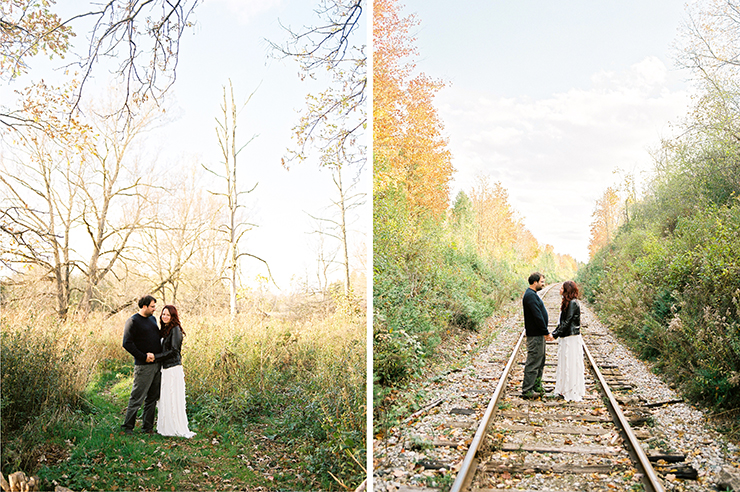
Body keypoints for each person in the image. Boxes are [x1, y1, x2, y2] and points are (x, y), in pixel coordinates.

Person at [121, 295, 162, 434]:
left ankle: (147, 427)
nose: (155, 309)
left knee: (152, 397)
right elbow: (127, 343)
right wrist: (143, 357)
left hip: (157, 365)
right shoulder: (133, 321)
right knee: (137, 397)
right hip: (143, 366)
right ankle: (128, 427)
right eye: (152, 306)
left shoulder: (152, 319)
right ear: (144, 306)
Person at [154, 305, 195, 438]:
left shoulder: (176, 330)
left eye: (168, 315)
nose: (164, 317)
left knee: (172, 397)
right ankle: (166, 427)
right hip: (164, 368)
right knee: (165, 397)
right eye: (163, 314)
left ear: (173, 317)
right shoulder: (165, 329)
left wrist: (156, 357)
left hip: (173, 368)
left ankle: (175, 427)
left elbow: (174, 351)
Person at [522, 272, 554, 399]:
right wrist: (545, 332)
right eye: (541, 282)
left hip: (538, 334)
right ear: (534, 282)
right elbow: (537, 316)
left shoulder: (532, 295)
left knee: (540, 361)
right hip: (535, 335)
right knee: (533, 362)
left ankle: (536, 386)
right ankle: (527, 390)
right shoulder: (530, 296)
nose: (543, 284)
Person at [552, 280, 586, 401]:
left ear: (567, 290)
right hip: (566, 337)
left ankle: (571, 390)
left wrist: (554, 334)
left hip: (571, 338)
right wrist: (555, 333)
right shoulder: (568, 303)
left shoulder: (573, 303)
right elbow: (562, 322)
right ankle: (564, 389)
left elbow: (567, 322)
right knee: (565, 363)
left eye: (562, 288)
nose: (560, 289)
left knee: (570, 363)